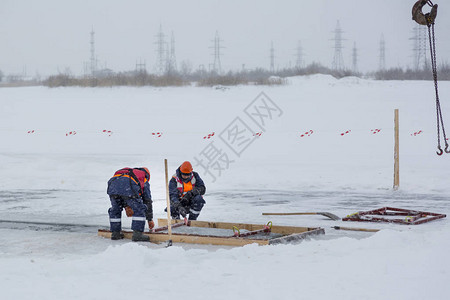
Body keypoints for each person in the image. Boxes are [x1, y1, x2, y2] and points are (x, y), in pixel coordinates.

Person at [107, 167, 154, 242]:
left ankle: (115, 233)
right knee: (139, 208)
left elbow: (121, 190)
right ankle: (137, 234)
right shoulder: (143, 178)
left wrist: (126, 206)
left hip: (113, 186)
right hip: (127, 186)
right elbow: (147, 200)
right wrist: (149, 219)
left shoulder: (129, 173)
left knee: (116, 209)